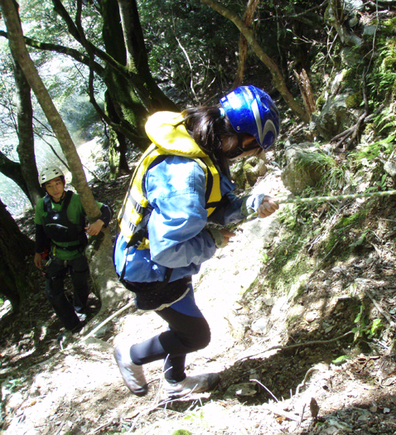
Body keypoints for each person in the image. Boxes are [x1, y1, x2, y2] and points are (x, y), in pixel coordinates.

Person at [112, 85, 280, 398]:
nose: (248, 155)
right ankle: (130, 355)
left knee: (184, 322)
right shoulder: (185, 177)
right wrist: (212, 240)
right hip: (151, 270)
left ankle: (175, 380)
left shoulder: (201, 143)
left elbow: (218, 202)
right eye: (252, 149)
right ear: (240, 137)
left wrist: (252, 204)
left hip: (162, 263)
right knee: (196, 336)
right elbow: (167, 249)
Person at [34, 166, 112, 333]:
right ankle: (72, 324)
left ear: (63, 183)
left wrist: (99, 222)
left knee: (80, 285)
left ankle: (80, 309)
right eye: (49, 186)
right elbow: (40, 230)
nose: (55, 189)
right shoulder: (42, 205)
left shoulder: (76, 200)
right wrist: (38, 252)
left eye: (57, 183)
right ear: (45, 189)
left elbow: (106, 209)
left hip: (77, 253)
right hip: (57, 254)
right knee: (52, 291)